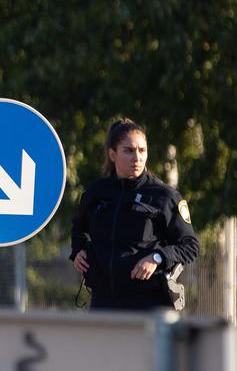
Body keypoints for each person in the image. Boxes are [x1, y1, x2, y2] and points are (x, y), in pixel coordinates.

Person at [70, 118, 200, 310]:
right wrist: (78, 251)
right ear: (112, 154)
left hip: (148, 303)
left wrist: (157, 257)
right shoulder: (96, 192)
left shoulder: (164, 196)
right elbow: (79, 229)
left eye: (142, 150)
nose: (137, 158)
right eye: (129, 151)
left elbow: (190, 246)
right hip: (103, 302)